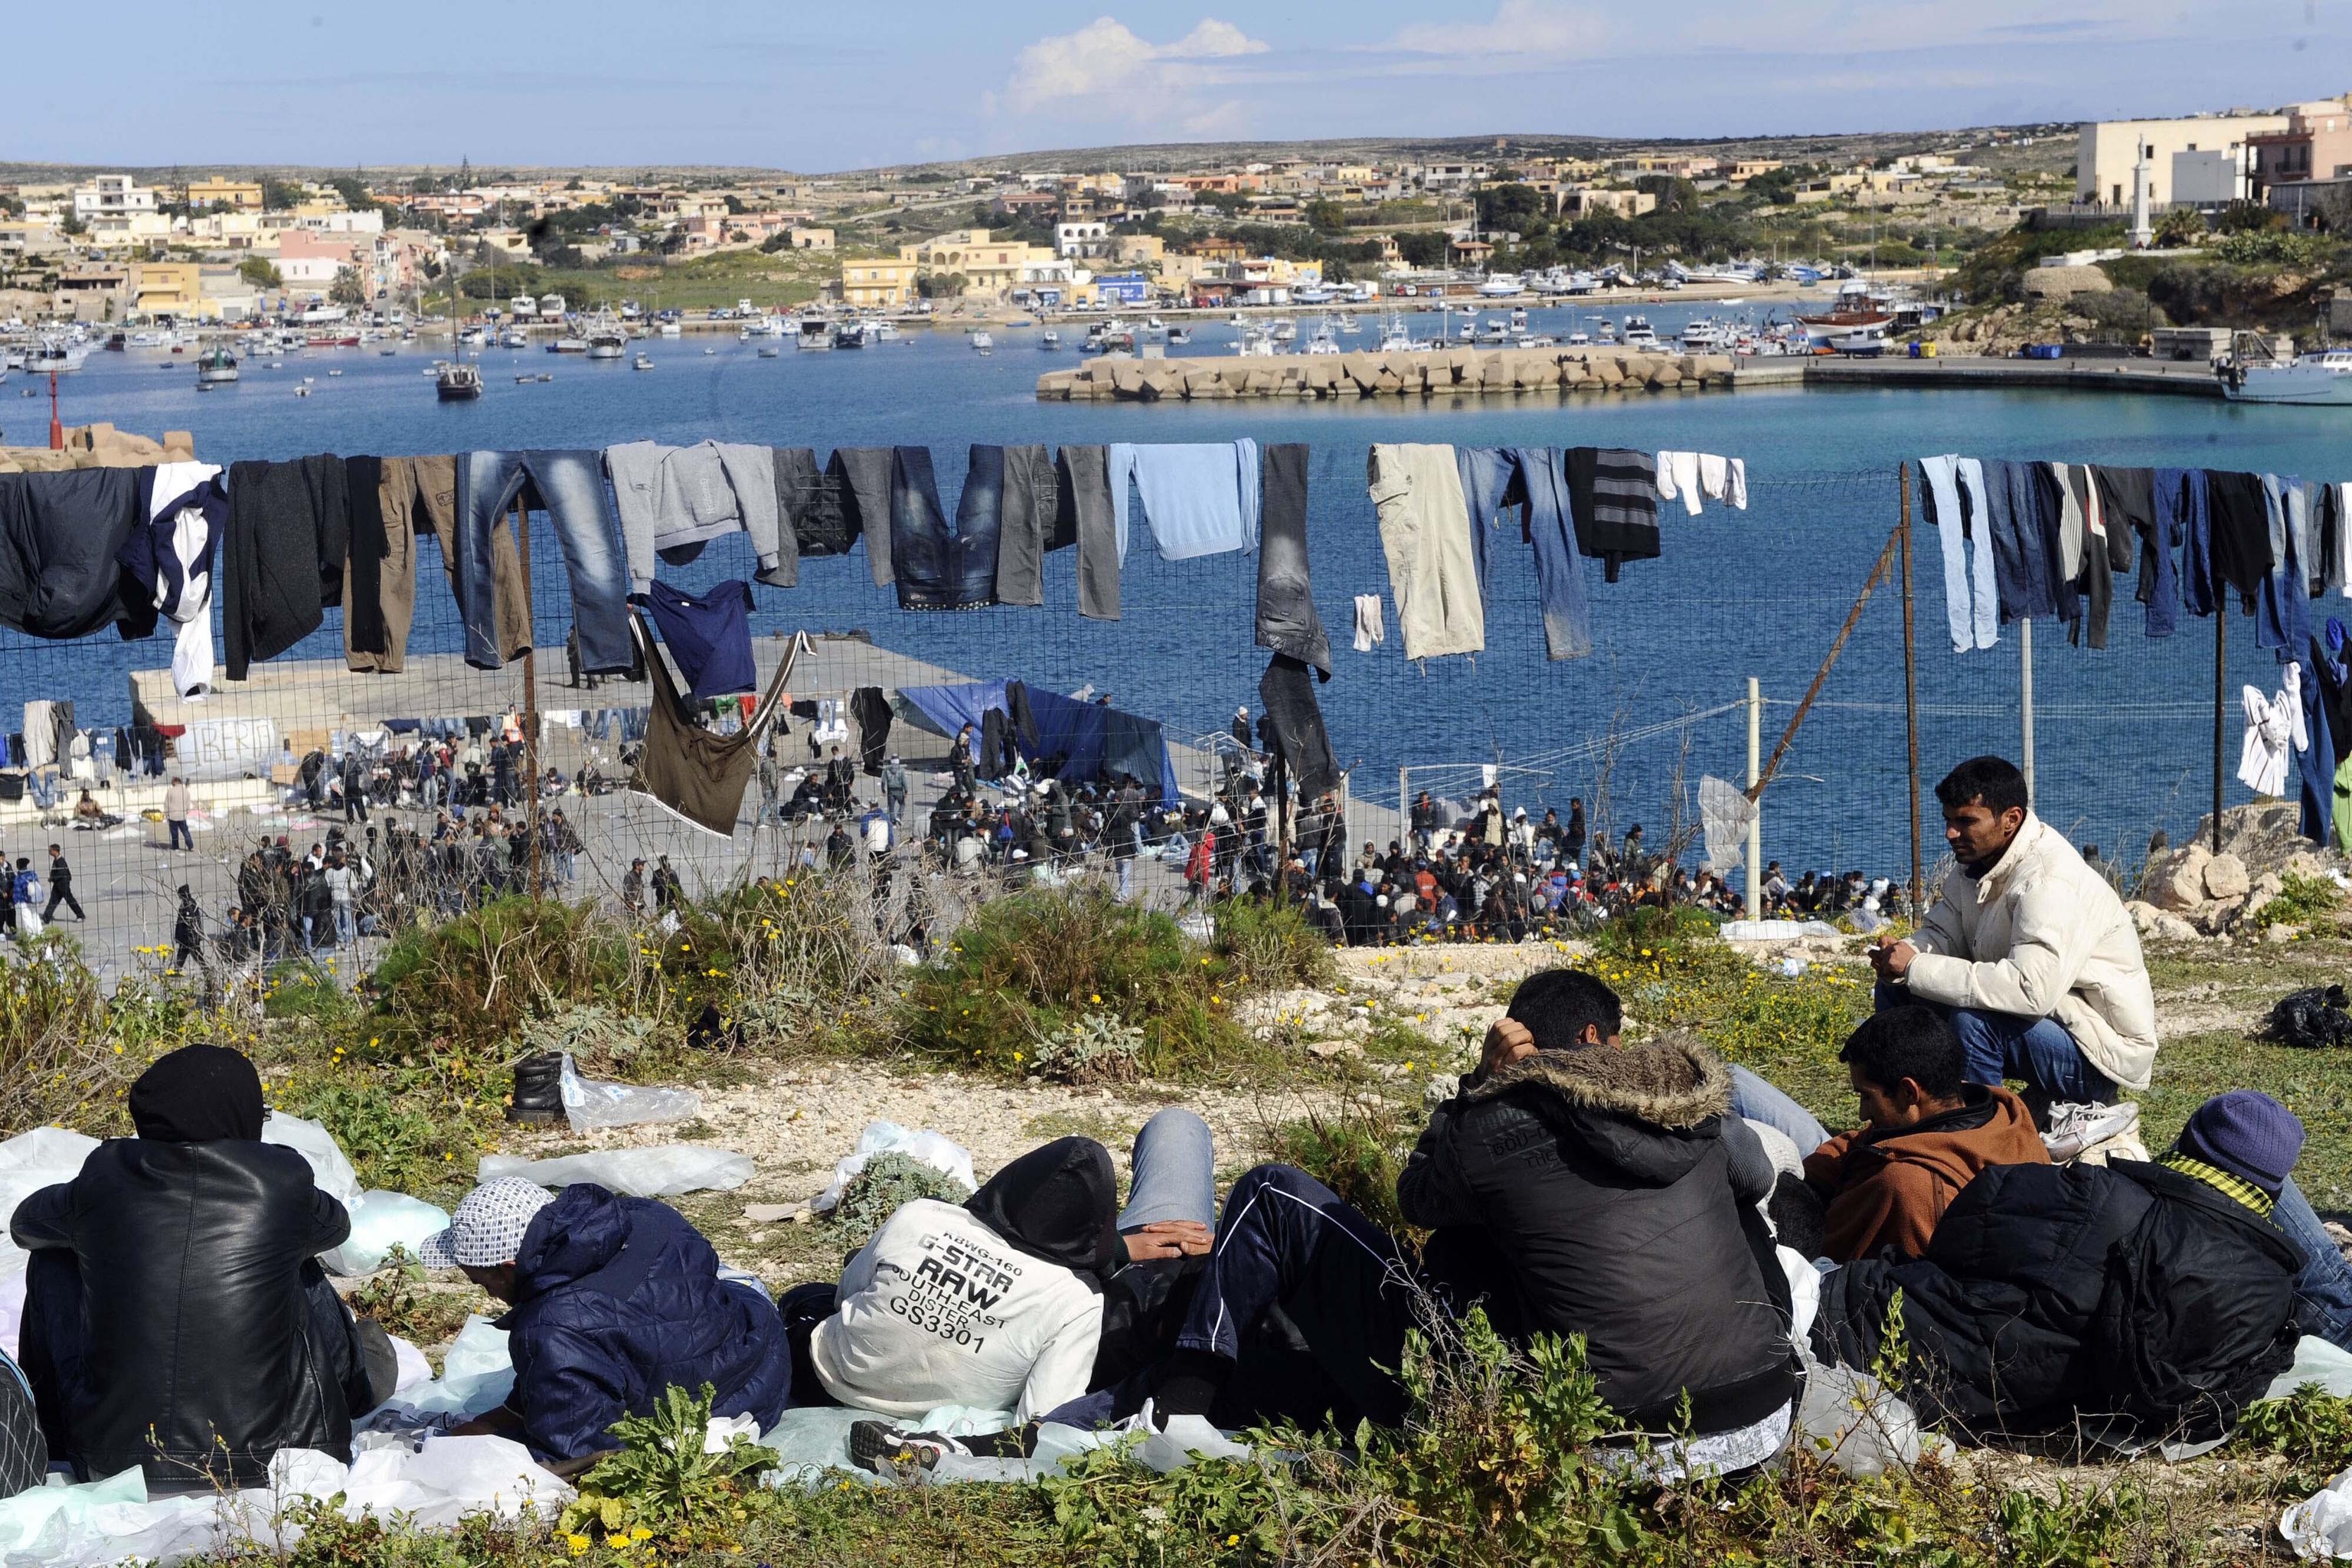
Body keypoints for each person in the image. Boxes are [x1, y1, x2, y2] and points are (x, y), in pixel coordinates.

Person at [1144, 972, 1799, 1464]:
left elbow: (1418, 1199)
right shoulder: (1691, 1109)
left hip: (1599, 1444)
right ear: (1598, 1039)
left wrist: (1480, 1084)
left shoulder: (1494, 1125)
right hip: (1760, 1425)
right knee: (1738, 1209)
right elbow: (1760, 1177)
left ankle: (1179, 1413)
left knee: (1270, 1192)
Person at [1811, 1091, 2310, 1445]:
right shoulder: (2274, 1293)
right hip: (2043, 1411)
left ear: (2190, 1145)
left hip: (1872, 1338)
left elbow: (1963, 1230)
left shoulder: (2105, 1199)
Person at [13, 1046, 393, 1487]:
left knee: (52, 1257)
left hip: (110, 1460)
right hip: (276, 1456)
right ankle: (357, 1388)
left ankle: (49, 1431)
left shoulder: (104, 1176)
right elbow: (336, 1226)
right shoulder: (282, 1179)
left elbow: (26, 1224)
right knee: (297, 1262)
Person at [430, 1177, 790, 1471]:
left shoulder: (550, 1328)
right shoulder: (644, 1213)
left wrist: (485, 1447)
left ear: (510, 1267)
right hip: (762, 1342)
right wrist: (509, 1413)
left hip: (733, 1408)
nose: (490, 1295)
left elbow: (577, 1449)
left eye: (484, 1282)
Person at [1870, 756, 2156, 1122]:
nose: (1951, 834)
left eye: (1966, 822)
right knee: (1896, 988)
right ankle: (1907, 1117)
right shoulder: (1976, 863)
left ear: (2011, 820)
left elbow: (2029, 990)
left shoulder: (2049, 881)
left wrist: (1917, 967)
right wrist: (1906, 954)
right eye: (1948, 821)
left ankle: (1983, 1143)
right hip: (2051, 1023)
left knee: (1974, 1024)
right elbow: (1942, 934)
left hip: (2097, 1051)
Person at [808, 1138, 1122, 1429]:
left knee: (807, 1298)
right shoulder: (1077, 1299)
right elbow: (1042, 1415)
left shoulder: (921, 1215)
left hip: (829, 1380)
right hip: (943, 1422)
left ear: (1013, 1179)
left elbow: (844, 1297)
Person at [1795, 1007, 2048, 1263]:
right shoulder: (1997, 1116)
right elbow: (1863, 1140)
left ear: (1909, 1092)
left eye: (1867, 1096)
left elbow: (1823, 1256)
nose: (1862, 1113)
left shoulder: (1907, 1188)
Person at [41, 844, 81, 923]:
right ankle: (46, 918)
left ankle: (80, 915)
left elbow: (62, 873)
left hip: (63, 885)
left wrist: (53, 878)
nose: (49, 852)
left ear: (55, 851)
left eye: (50, 850)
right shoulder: (56, 860)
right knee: (53, 901)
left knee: (70, 901)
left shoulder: (61, 861)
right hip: (57, 885)